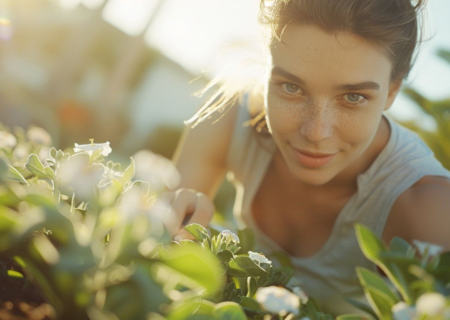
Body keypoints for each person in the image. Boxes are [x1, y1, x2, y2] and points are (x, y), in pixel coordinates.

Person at [169, 0, 450, 315]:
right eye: (291, 87)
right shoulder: (230, 117)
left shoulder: (430, 207)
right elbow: (157, 252)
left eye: (353, 97)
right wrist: (180, 215)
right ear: (266, 73)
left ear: (391, 92)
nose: (316, 131)